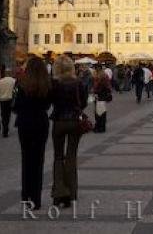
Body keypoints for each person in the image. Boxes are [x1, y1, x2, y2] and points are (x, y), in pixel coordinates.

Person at [13, 56, 52, 210]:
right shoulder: (47, 84)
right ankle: (36, 199)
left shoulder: (21, 83)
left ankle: (25, 197)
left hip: (25, 123)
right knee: (38, 160)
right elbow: (48, 104)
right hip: (41, 122)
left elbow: (15, 106)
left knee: (26, 159)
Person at [51, 55, 87, 208]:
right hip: (74, 121)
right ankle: (71, 193)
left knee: (58, 157)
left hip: (58, 121)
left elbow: (50, 101)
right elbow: (84, 102)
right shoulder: (79, 83)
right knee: (71, 155)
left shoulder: (54, 83)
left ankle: (59, 193)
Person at [93, 65, 112, 133]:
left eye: (96, 68)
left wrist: (96, 92)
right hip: (100, 96)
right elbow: (108, 86)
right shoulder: (102, 75)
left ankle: (99, 127)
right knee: (100, 111)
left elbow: (102, 86)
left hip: (100, 96)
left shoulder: (101, 76)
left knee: (99, 112)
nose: (96, 69)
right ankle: (101, 126)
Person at [0, 69, 16, 137]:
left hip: (2, 100)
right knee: (8, 115)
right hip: (10, 99)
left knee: (3, 115)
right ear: (10, 73)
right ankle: (6, 129)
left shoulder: (0, 81)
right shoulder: (13, 81)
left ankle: (4, 129)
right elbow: (15, 90)